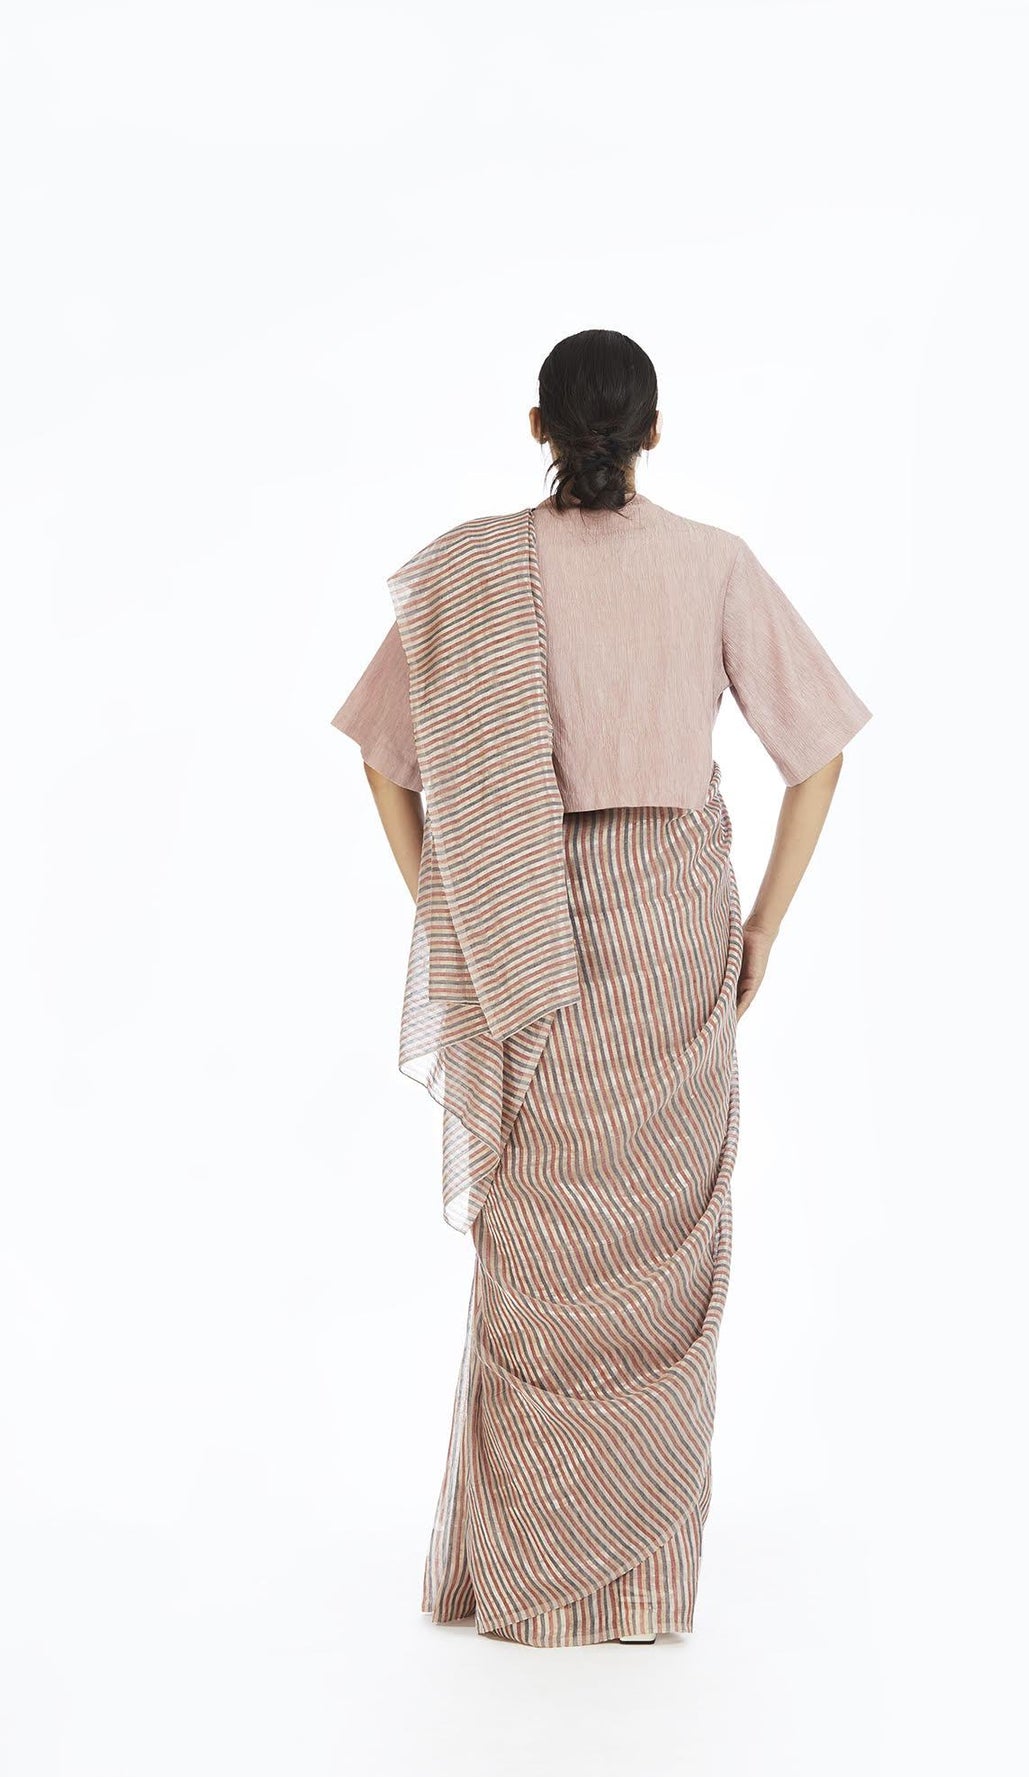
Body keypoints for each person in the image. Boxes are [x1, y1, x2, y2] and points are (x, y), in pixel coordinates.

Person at [330, 328, 872, 1649]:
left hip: (524, 921)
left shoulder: (475, 570)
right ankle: (634, 1594)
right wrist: (764, 925)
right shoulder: (714, 563)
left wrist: (452, 907)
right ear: (655, 433)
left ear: (538, 428)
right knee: (658, 1251)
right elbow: (819, 754)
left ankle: (522, 1578)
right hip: (677, 929)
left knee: (535, 1247)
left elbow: (382, 762)